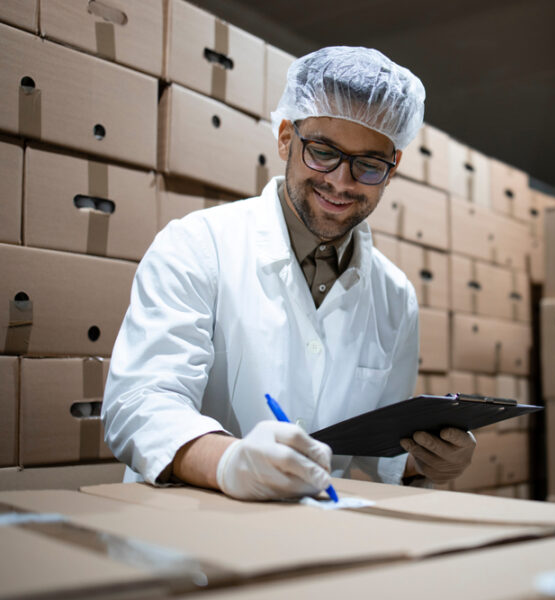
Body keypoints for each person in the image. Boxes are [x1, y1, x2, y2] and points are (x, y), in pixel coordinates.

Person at [102, 46, 476, 500]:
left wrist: (424, 461)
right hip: (186, 527)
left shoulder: (395, 297)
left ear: (392, 168)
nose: (340, 181)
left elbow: (378, 447)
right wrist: (228, 462)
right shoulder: (198, 245)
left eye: (368, 165)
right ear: (285, 138)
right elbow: (139, 405)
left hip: (310, 536)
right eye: (322, 152)